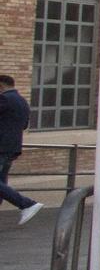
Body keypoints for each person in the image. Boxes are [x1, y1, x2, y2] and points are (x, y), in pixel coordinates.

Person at [0, 75, 43, 224]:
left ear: (1, 86)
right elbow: (24, 125)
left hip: (2, 147)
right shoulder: (22, 101)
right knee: (1, 184)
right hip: (12, 149)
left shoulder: (5, 99)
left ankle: (26, 203)